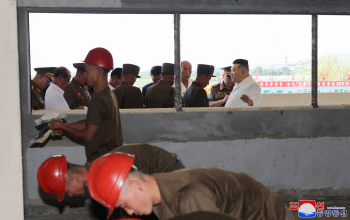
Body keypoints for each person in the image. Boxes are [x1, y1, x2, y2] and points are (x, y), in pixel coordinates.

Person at [87, 153, 294, 220]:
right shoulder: (161, 195)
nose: (130, 212)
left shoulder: (189, 198)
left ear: (134, 184)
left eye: (125, 204)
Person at [49, 47, 123, 162]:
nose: (85, 74)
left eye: (87, 71)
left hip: (101, 160)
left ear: (98, 71)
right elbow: (91, 123)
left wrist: (63, 128)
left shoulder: (98, 99)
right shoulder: (108, 94)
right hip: (110, 158)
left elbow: (88, 135)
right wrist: (64, 126)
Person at [37, 144, 185, 200]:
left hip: (170, 175)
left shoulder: (105, 176)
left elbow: (137, 202)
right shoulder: (96, 174)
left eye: (66, 191)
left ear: (75, 178)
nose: (69, 194)